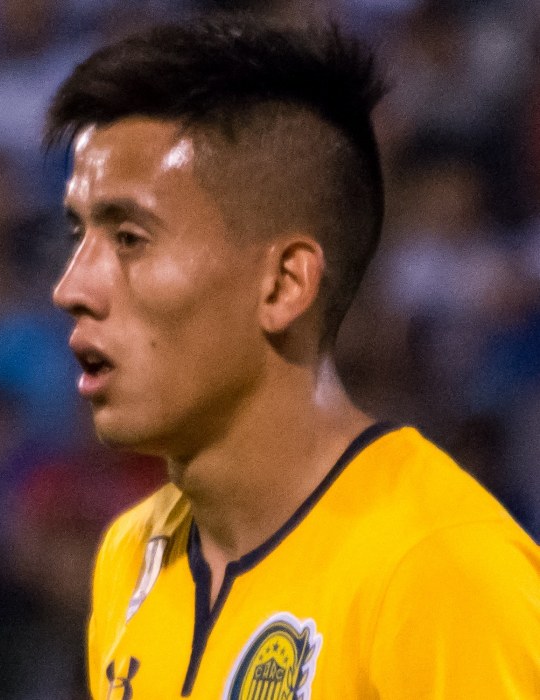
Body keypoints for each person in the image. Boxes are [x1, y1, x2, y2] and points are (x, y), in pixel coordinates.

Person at [46, 16, 540, 699]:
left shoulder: (437, 569)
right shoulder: (129, 555)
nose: (71, 287)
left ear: (283, 285)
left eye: (130, 238)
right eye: (78, 235)